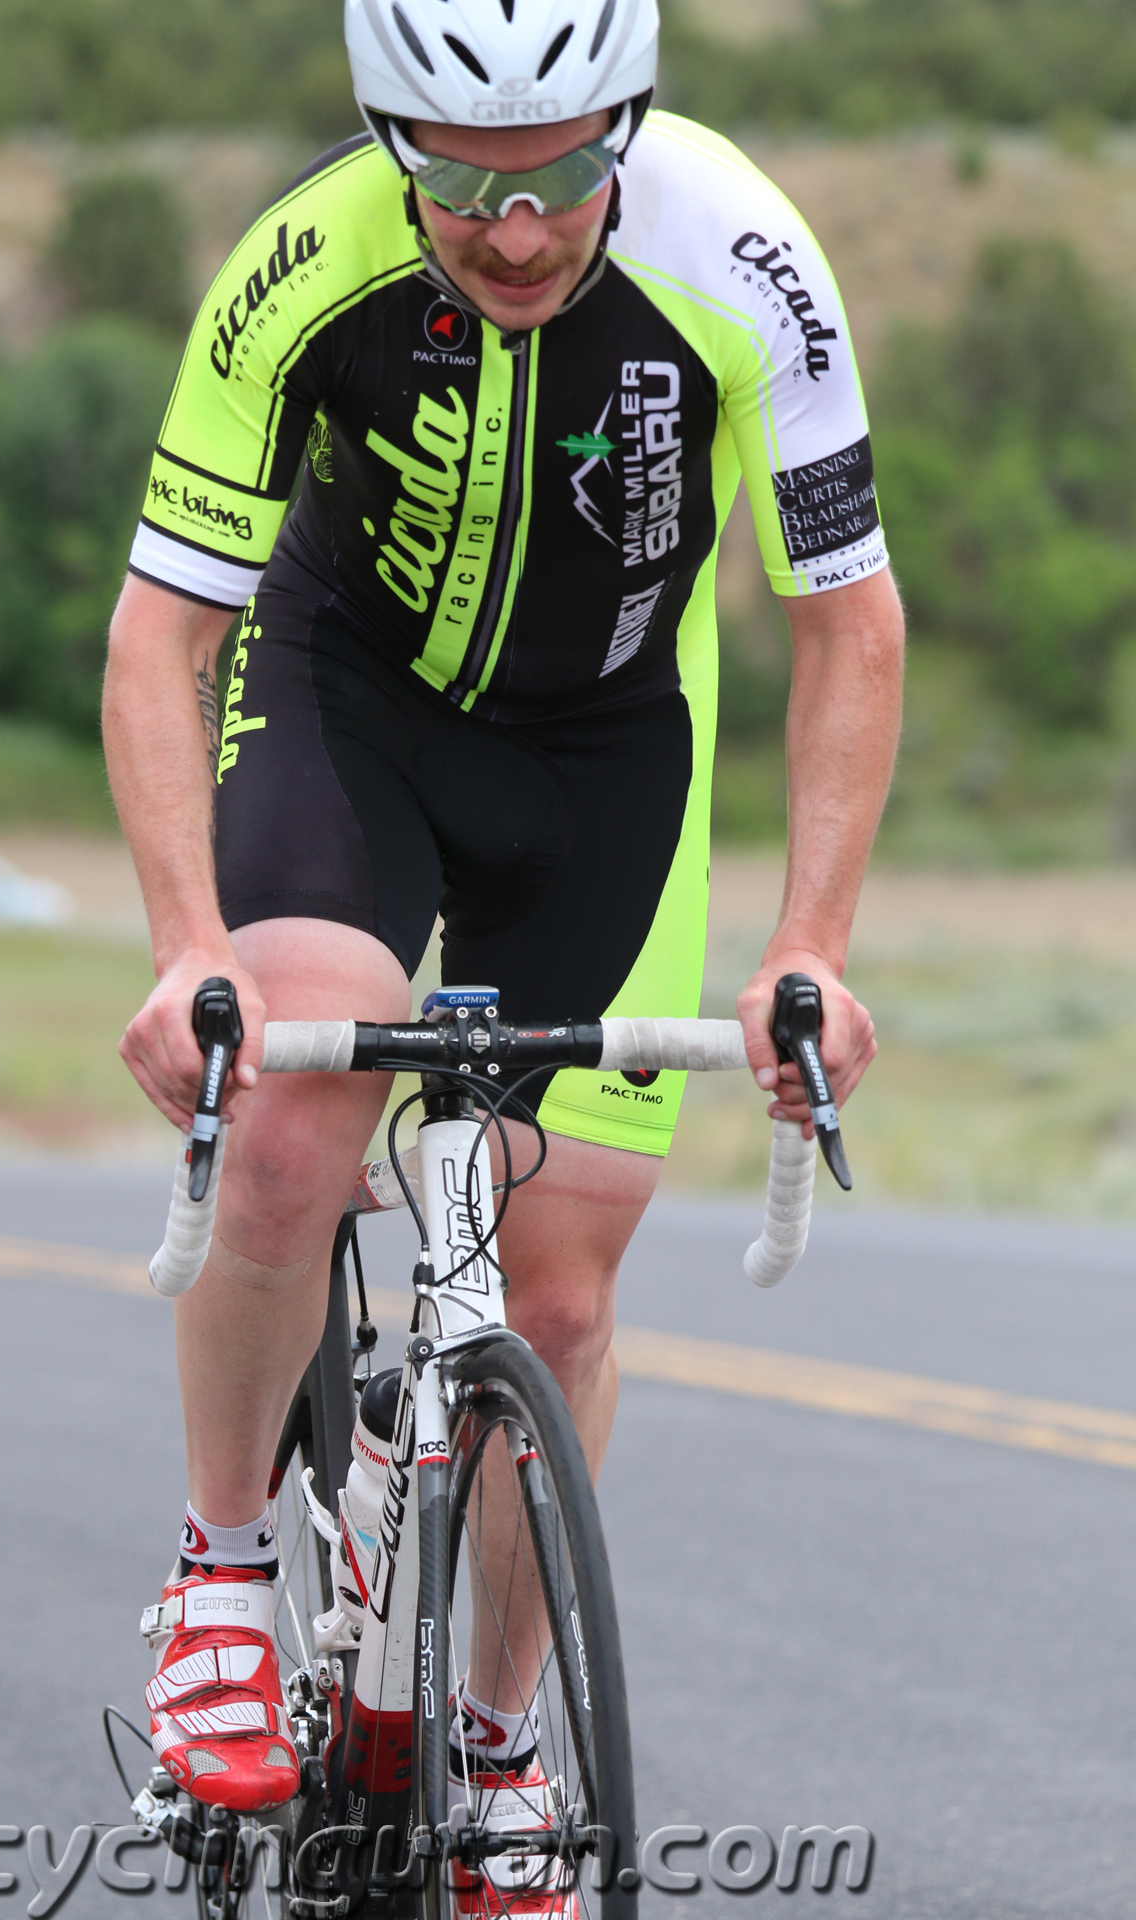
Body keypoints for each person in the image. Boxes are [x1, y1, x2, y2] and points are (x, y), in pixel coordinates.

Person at [103, 0, 902, 1839]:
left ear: (632, 121)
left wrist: (812, 945)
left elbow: (848, 620)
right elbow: (166, 632)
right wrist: (184, 949)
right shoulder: (302, 260)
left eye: (560, 176)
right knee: (296, 1122)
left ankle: (495, 1734)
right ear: (389, 135)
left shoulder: (743, 254)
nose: (518, 229)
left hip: (609, 747)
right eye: (461, 179)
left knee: (557, 1286)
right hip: (347, 705)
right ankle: (224, 1569)